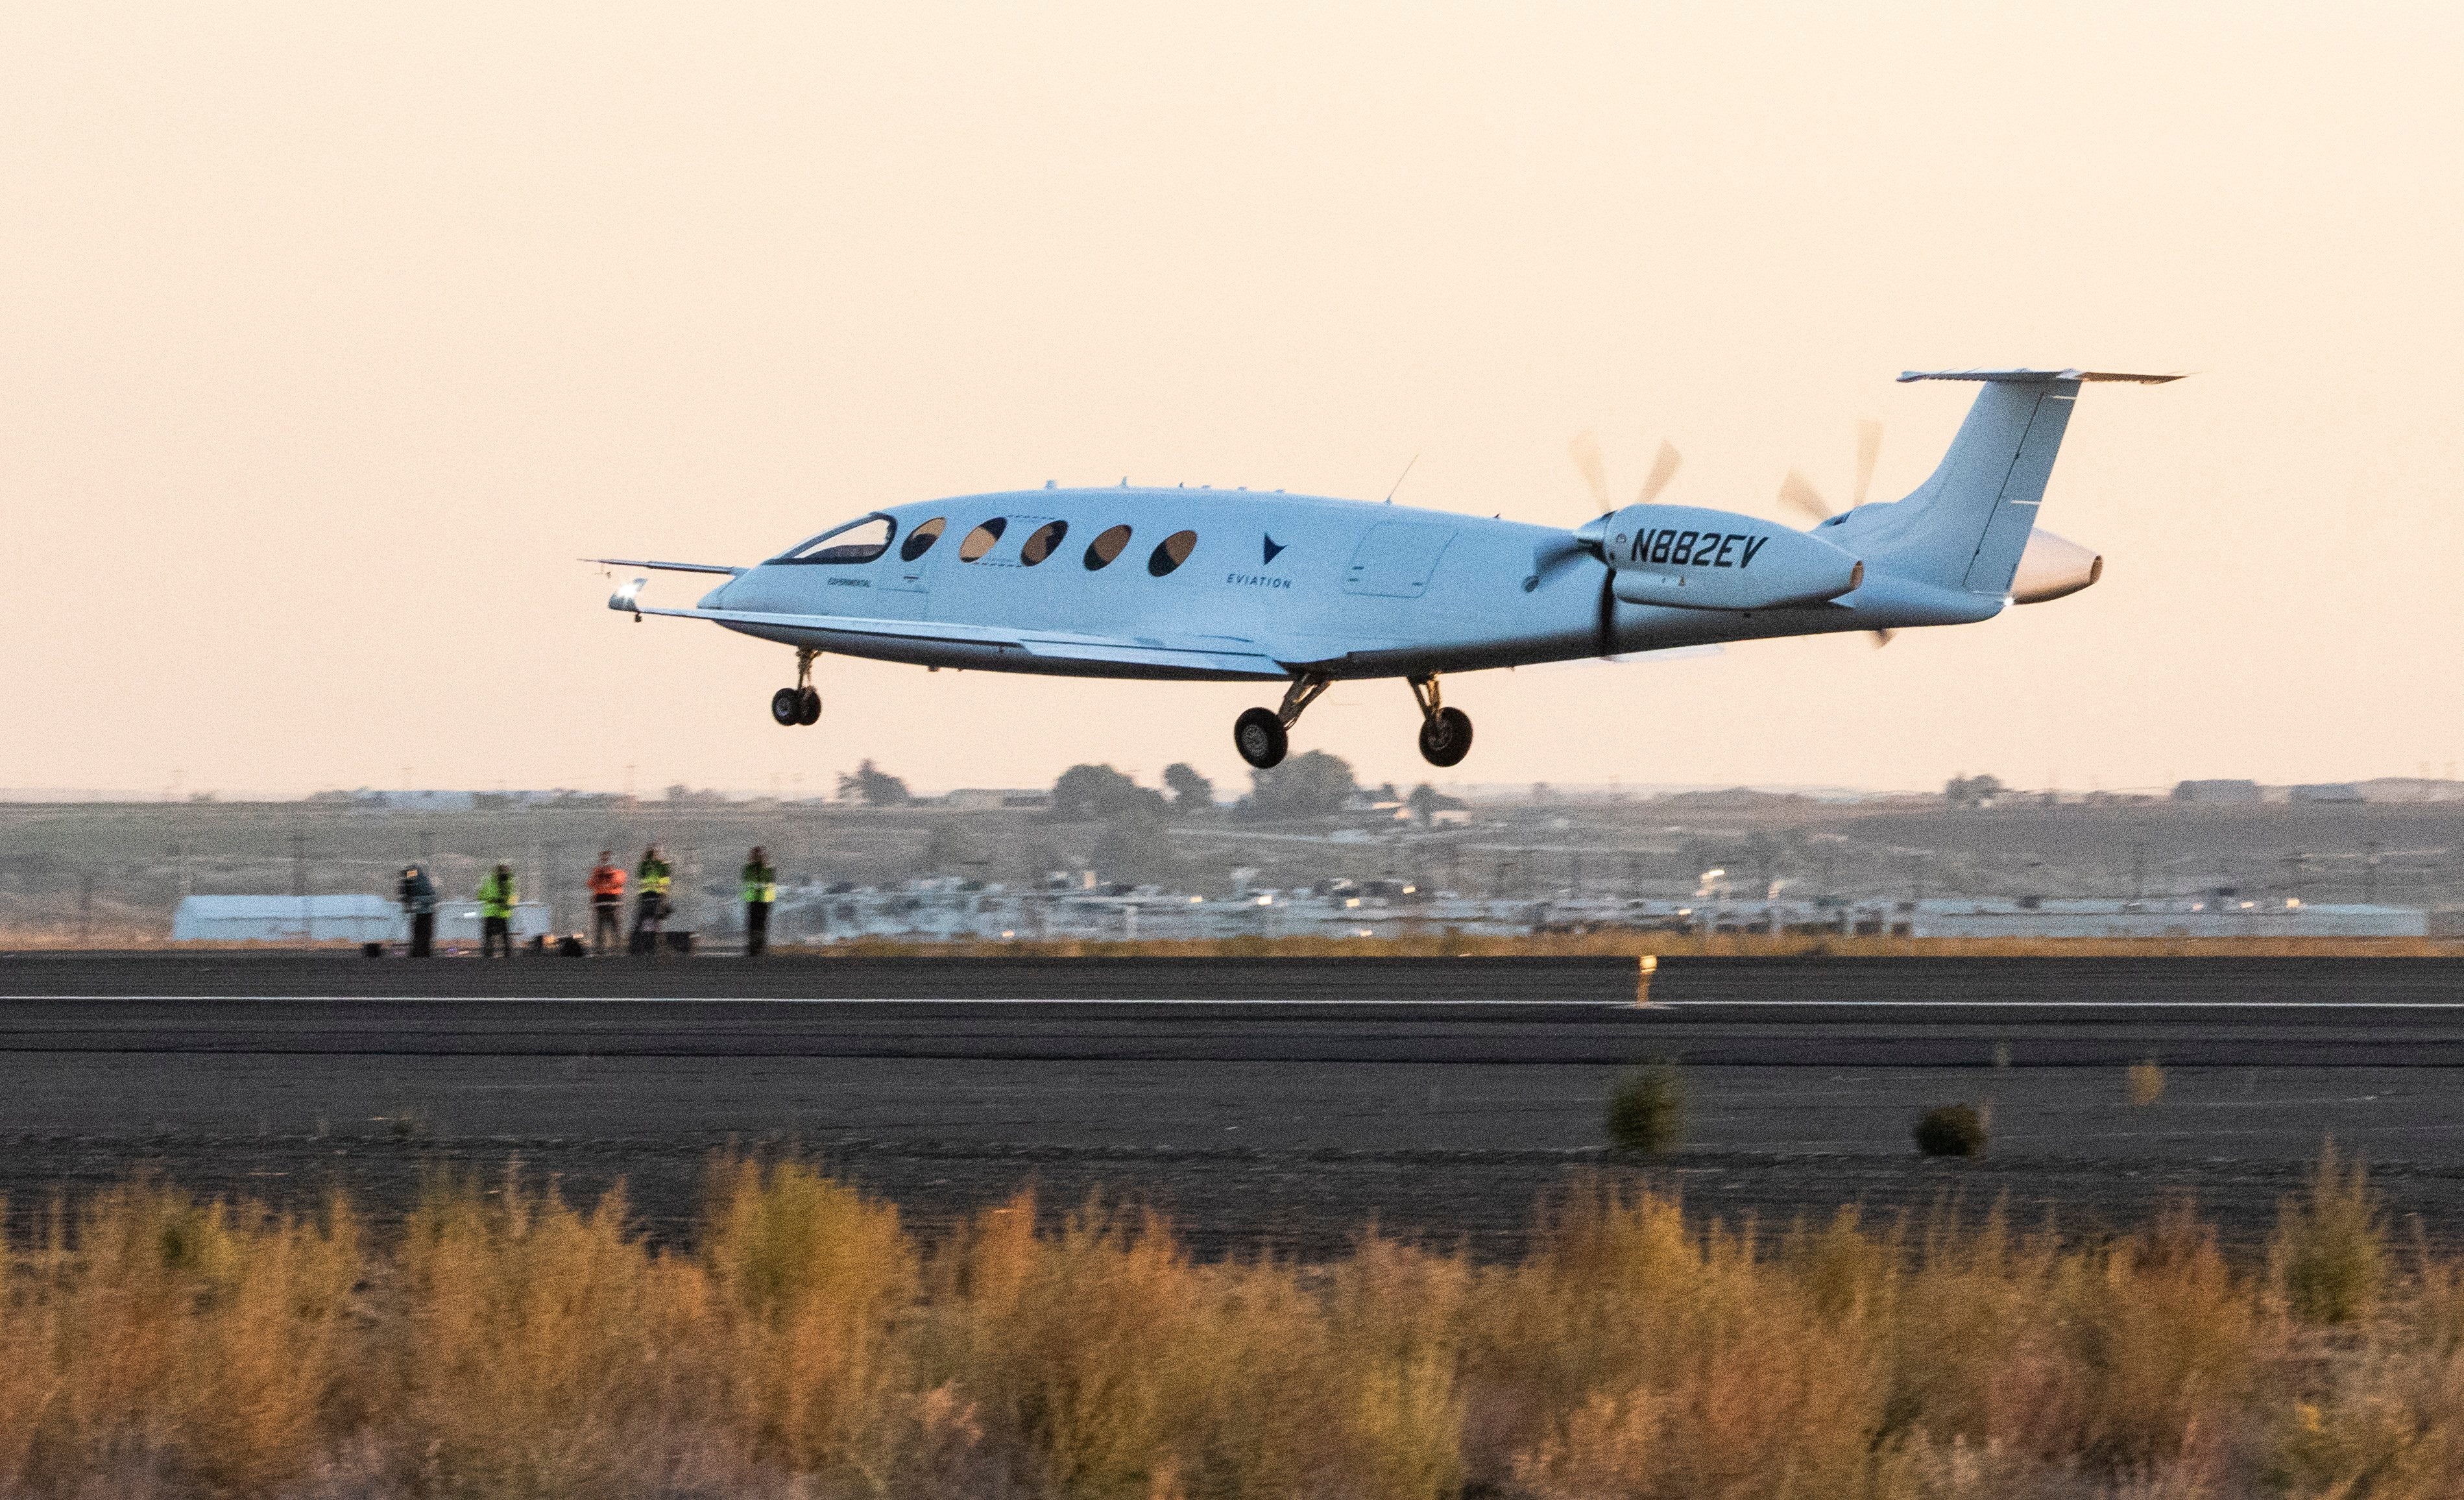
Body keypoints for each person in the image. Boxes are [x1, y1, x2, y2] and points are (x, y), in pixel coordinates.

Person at [632, 844, 672, 954]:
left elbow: (641, 875)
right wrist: (664, 897)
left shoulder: (648, 865)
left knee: (648, 923)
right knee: (651, 923)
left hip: (649, 896)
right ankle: (649, 947)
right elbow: (665, 880)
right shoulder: (658, 865)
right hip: (652, 896)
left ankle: (649, 947)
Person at [586, 851, 627, 955]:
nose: (605, 861)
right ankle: (599, 950)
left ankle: (617, 949)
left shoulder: (617, 873)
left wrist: (609, 873)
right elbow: (590, 884)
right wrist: (600, 874)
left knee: (614, 927)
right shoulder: (597, 872)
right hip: (600, 902)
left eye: (607, 859)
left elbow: (619, 882)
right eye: (603, 859)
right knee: (600, 927)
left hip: (612, 902)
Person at [740, 845, 778, 957]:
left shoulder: (767, 868)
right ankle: (754, 948)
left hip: (763, 900)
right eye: (755, 855)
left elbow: (769, 882)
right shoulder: (750, 868)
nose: (757, 857)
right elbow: (749, 880)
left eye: (758, 855)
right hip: (753, 900)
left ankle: (759, 947)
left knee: (761, 924)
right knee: (754, 924)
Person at [477, 862, 517, 958]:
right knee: (504, 934)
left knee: (489, 934)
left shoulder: (488, 880)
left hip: (491, 911)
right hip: (502, 911)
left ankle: (489, 952)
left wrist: (490, 899)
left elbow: (480, 895)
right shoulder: (509, 882)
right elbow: (513, 897)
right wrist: (508, 905)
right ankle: (507, 953)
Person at [397, 864, 436, 958]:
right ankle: (420, 953)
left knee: (421, 934)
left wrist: (413, 901)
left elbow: (432, 898)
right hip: (420, 913)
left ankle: (420, 953)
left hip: (425, 912)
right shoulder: (415, 879)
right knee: (420, 933)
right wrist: (408, 903)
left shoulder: (419, 881)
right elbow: (406, 893)